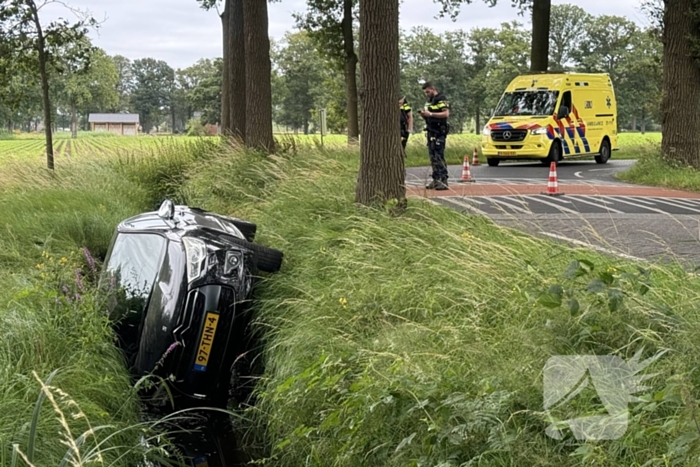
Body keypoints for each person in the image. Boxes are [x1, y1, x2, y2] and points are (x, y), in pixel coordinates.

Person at [419, 82, 450, 190]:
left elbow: (446, 114)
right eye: (425, 92)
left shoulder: (441, 99)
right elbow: (428, 116)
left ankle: (444, 180)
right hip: (431, 130)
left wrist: (431, 114)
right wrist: (424, 115)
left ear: (432, 89)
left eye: (427, 91)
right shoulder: (429, 101)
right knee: (432, 156)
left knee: (439, 155)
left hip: (439, 131)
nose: (426, 94)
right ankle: (436, 179)